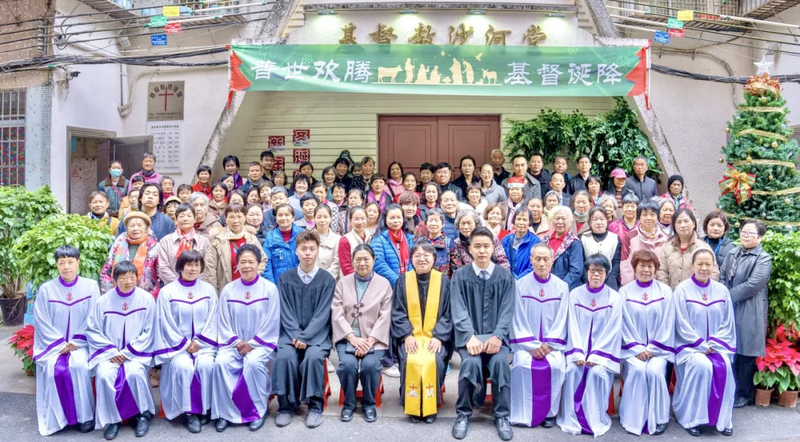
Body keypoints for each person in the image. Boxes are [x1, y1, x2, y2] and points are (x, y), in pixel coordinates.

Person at [450, 227, 515, 441]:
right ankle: (463, 414)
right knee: (471, 364)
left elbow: (507, 311)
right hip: (471, 339)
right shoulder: (460, 276)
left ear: (493, 247)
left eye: (486, 246)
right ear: (470, 249)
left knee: (500, 364)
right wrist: (469, 337)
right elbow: (458, 310)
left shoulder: (505, 276)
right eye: (477, 246)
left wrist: (497, 337)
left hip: (497, 339)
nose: (482, 251)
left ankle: (502, 416)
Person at [210, 245, 279, 432]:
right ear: (237, 265)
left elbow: (272, 322)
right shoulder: (228, 290)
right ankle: (224, 413)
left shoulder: (269, 289)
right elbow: (222, 321)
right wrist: (236, 342)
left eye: (251, 262)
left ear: (258, 264)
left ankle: (257, 411)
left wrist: (253, 344)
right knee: (221, 363)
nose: (247, 266)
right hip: (233, 344)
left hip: (260, 345)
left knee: (254, 364)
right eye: (243, 262)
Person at [33, 246, 100, 436]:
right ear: (56, 265)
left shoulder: (90, 287)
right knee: (55, 369)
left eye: (70, 262)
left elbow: (93, 317)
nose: (66, 267)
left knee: (79, 365)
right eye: (61, 263)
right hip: (54, 346)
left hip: (81, 343)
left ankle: (84, 417)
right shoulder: (47, 289)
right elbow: (41, 320)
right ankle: (57, 419)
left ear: (78, 262)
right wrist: (60, 344)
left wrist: (76, 342)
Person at [86, 261, 157, 440]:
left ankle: (142, 415)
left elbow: (150, 331)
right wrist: (112, 351)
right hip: (110, 354)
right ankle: (112, 420)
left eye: (132, 277)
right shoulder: (103, 301)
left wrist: (128, 352)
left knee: (135, 373)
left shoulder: (146, 299)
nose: (128, 281)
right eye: (123, 277)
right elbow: (93, 329)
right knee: (104, 375)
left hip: (135, 353)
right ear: (114, 279)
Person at [274, 231, 336, 429]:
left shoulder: (327, 279)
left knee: (313, 357)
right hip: (289, 335)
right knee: (284, 357)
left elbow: (323, 313)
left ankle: (315, 406)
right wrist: (296, 335)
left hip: (317, 336)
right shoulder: (285, 278)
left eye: (312, 249)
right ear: (296, 251)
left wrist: (306, 337)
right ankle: (286, 406)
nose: (307, 253)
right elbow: (285, 310)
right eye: (303, 249)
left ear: (318, 251)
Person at [672, 249, 736, 437]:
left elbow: (727, 322)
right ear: (692, 266)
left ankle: (723, 420)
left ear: (713, 266)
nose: (704, 268)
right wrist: (700, 344)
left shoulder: (721, 290)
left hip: (716, 346)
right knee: (701, 367)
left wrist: (713, 344)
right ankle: (691, 418)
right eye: (700, 264)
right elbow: (681, 323)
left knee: (725, 366)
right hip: (690, 347)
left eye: (708, 264)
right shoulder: (682, 290)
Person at [558, 254, 623, 437]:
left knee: (597, 373)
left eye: (600, 271)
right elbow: (572, 326)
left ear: (607, 273)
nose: (596, 274)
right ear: (586, 272)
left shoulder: (614, 298)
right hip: (578, 353)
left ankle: (595, 417)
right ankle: (571, 416)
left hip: (602, 355)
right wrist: (578, 354)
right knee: (572, 371)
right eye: (592, 270)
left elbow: (613, 330)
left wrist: (596, 356)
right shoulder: (575, 294)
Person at [153, 251, 218, 433]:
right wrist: (184, 344)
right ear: (181, 267)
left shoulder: (208, 290)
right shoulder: (168, 292)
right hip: (177, 347)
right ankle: (190, 413)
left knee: (206, 365)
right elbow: (165, 322)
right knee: (184, 368)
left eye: (197, 265)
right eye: (189, 265)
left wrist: (199, 342)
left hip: (203, 345)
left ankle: (207, 408)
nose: (193, 268)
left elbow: (213, 319)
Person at [509, 244, 569, 429]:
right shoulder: (520, 285)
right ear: (531, 260)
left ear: (552, 261)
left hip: (552, 346)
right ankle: (523, 412)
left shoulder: (562, 286)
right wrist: (531, 345)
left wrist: (549, 345)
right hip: (527, 345)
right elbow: (517, 318)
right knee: (520, 366)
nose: (542, 263)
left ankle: (550, 413)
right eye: (538, 259)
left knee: (557, 367)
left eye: (546, 259)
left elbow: (562, 319)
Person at [332, 244, 393, 423]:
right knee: (348, 366)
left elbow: (386, 315)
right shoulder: (343, 283)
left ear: (374, 260)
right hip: (348, 337)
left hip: (374, 339)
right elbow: (337, 312)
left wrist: (369, 341)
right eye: (358, 259)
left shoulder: (384, 284)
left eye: (366, 259)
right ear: (352, 261)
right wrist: (352, 338)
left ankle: (368, 404)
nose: (362, 263)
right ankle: (349, 404)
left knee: (370, 366)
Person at [392, 243, 452, 423]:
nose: (422, 259)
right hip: (410, 336)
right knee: (409, 357)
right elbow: (397, 312)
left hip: (436, 337)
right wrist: (406, 335)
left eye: (427, 255)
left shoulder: (443, 281)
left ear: (434, 259)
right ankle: (411, 403)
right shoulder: (403, 281)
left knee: (434, 359)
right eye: (417, 255)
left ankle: (430, 404)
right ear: (411, 259)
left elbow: (449, 313)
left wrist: (439, 337)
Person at [618, 249, 675, 435]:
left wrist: (652, 349)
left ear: (656, 269)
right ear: (634, 268)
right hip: (632, 349)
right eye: (642, 266)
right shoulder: (624, 292)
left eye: (650, 266)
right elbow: (623, 323)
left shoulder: (665, 291)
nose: (646, 270)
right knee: (638, 370)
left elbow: (668, 322)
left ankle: (659, 417)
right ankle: (632, 416)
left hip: (658, 349)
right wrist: (636, 348)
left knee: (655, 371)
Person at [721, 220, 772, 409]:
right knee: (731, 348)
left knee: (745, 351)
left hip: (751, 309)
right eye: (743, 231)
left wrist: (727, 295)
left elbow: (753, 285)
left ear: (760, 237)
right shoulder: (733, 252)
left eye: (750, 233)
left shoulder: (763, 258)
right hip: (731, 307)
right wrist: (724, 293)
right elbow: (722, 274)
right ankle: (731, 390)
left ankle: (745, 393)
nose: (745, 235)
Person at [203, 204, 267, 292]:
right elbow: (210, 269)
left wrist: (253, 275)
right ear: (225, 218)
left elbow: (263, 259)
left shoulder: (251, 238)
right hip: (226, 290)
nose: (235, 221)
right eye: (231, 217)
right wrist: (213, 293)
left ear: (244, 218)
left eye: (239, 217)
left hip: (250, 288)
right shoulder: (217, 240)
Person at [100, 211, 160, 296]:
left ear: (147, 228)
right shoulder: (118, 244)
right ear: (127, 228)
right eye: (132, 225)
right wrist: (110, 294)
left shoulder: (155, 247)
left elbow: (160, 277)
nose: (135, 228)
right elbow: (106, 270)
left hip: (145, 297)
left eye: (139, 225)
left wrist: (150, 298)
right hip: (117, 295)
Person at [658, 208, 719, 290]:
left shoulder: (703, 247)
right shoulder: (666, 247)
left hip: (697, 297)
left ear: (693, 223)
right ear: (674, 226)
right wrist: (667, 293)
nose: (683, 225)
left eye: (686, 221)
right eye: (679, 222)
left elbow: (713, 273)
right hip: (672, 297)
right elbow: (662, 273)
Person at [157, 204, 210, 285]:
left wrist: (195, 283)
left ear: (195, 219)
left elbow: (206, 266)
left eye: (189, 216)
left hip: (198, 286)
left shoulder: (204, 241)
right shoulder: (166, 241)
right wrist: (178, 284)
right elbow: (163, 267)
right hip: (173, 287)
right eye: (181, 216)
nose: (185, 219)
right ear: (176, 220)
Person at [620, 200, 668, 285]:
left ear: (658, 217)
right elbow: (626, 265)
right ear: (639, 217)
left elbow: (666, 266)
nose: (649, 218)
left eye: (652, 214)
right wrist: (629, 288)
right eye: (645, 215)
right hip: (636, 286)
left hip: (659, 287)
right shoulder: (630, 237)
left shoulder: (665, 238)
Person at [450, 209, 510, 276]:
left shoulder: (490, 237)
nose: (466, 227)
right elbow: (459, 269)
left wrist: (501, 278)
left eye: (469, 223)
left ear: (476, 223)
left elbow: (502, 261)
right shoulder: (456, 244)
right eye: (463, 223)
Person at [541, 206, 584, 290]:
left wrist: (560, 287)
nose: (560, 222)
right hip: (544, 286)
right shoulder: (545, 240)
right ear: (552, 220)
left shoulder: (574, 242)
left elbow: (576, 271)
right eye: (557, 218)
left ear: (570, 221)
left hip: (564, 288)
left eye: (563, 219)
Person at [371, 204, 414, 286]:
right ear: (385, 219)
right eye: (392, 218)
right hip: (387, 286)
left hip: (408, 284)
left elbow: (413, 260)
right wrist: (398, 282)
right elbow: (379, 264)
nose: (396, 221)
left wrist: (408, 280)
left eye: (399, 217)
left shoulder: (409, 238)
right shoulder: (379, 240)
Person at [580, 206, 621, 290]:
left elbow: (617, 262)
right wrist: (587, 279)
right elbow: (581, 262)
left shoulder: (615, 238)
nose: (599, 222)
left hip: (610, 281)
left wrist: (610, 279)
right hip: (587, 281)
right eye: (595, 219)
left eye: (602, 219)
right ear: (590, 222)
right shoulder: (583, 238)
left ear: (607, 220)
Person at [262, 204, 303, 284]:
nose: (283, 218)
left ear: (293, 218)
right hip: (278, 283)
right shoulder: (270, 236)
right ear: (276, 218)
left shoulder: (302, 234)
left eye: (287, 215)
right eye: (280, 215)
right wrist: (272, 285)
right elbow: (266, 262)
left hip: (300, 283)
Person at [501, 208, 541, 278]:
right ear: (514, 221)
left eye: (525, 220)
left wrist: (518, 280)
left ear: (529, 222)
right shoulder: (506, 240)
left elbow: (533, 266)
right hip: (507, 281)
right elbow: (501, 261)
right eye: (518, 219)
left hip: (527, 282)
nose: (521, 223)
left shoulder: (535, 241)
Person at [415, 208, 454, 276]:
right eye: (430, 220)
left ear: (443, 224)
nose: (433, 224)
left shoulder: (449, 243)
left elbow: (455, 270)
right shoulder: (419, 242)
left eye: (436, 220)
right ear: (426, 224)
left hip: (443, 284)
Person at [338, 206, 371, 278]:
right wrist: (362, 279)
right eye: (356, 219)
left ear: (367, 219)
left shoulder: (371, 238)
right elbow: (346, 267)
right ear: (350, 221)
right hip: (350, 281)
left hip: (370, 280)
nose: (360, 222)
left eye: (362, 218)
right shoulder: (345, 240)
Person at [313, 204, 341, 279]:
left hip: (332, 282)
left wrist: (325, 279)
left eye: (325, 217)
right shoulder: (308, 238)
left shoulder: (338, 240)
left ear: (331, 218)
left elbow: (337, 264)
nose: (322, 220)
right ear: (314, 218)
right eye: (319, 217)